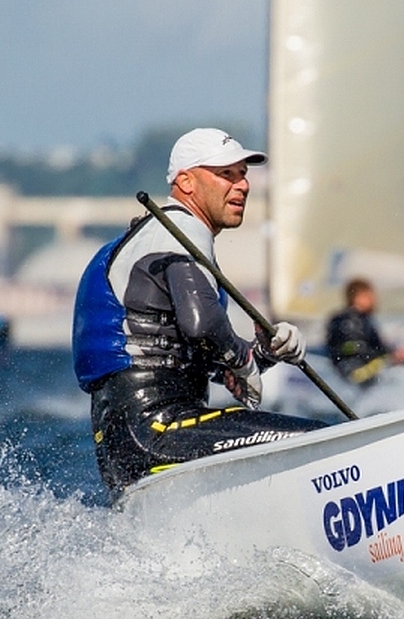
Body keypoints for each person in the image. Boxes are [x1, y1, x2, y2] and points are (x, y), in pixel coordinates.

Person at [72, 127, 327, 493]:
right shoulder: (178, 228)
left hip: (131, 441)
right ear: (186, 182)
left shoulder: (160, 236)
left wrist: (264, 353)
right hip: (157, 425)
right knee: (321, 442)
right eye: (226, 174)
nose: (242, 185)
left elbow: (201, 354)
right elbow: (203, 326)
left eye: (243, 174)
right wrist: (243, 360)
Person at [325, 278, 404, 385]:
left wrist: (393, 353)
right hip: (356, 374)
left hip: (363, 371)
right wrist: (393, 357)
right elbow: (354, 350)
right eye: (370, 297)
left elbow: (376, 347)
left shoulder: (363, 320)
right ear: (359, 297)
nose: (375, 300)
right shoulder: (348, 321)